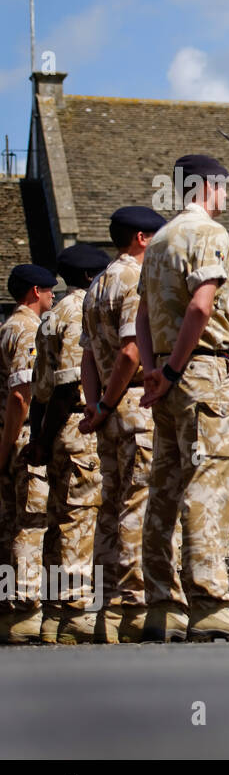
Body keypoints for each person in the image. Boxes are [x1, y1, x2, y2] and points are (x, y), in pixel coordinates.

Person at [136, 155, 229, 642]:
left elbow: (144, 320)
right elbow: (200, 304)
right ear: (210, 186)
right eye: (225, 188)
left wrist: (154, 371)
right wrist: (172, 370)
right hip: (202, 369)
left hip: (168, 373)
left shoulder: (159, 242)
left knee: (165, 486)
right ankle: (209, 601)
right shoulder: (209, 234)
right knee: (208, 480)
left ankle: (162, 605)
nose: (228, 196)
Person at [79, 206, 167, 643]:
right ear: (140, 239)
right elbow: (132, 351)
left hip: (110, 409)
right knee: (138, 507)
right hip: (133, 403)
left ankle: (106, 609)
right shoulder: (133, 279)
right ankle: (132, 607)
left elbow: (87, 358)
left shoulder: (97, 284)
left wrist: (96, 404)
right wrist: (112, 401)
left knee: (110, 511)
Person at [31, 244, 111, 644]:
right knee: (79, 524)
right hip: (78, 424)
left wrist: (40, 440)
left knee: (58, 523)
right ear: (87, 277)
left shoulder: (49, 316)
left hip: (55, 429)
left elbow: (39, 390)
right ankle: (75, 610)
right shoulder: (82, 310)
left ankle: (52, 613)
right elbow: (65, 386)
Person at [0, 264, 55, 643]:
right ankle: (26, 610)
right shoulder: (27, 329)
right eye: (50, 291)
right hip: (23, 440)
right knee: (30, 525)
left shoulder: (6, 326)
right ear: (35, 292)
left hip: (11, 439)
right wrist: (8, 448)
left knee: (10, 526)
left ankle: (9, 608)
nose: (53, 297)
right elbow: (22, 394)